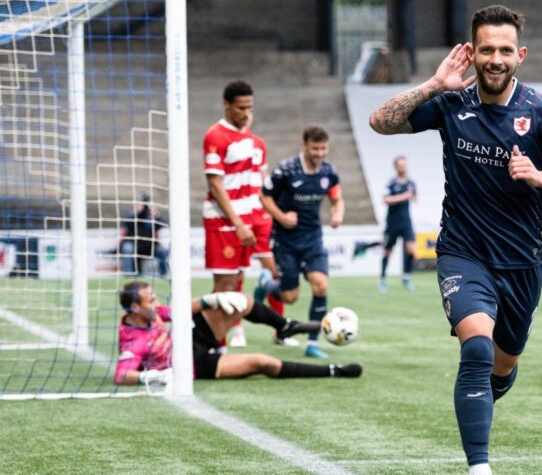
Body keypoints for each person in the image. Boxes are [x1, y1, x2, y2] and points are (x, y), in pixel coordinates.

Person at [368, 5, 542, 475]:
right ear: (472, 51)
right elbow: (380, 121)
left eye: (505, 50)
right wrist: (432, 85)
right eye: (486, 49)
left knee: (503, 365)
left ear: (521, 55)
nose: (495, 59)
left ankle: (480, 403)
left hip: (520, 264)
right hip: (463, 254)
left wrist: (541, 177)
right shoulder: (451, 103)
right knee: (476, 352)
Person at [114, 281, 362, 387]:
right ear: (134, 308)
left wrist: (213, 299)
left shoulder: (152, 313)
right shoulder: (133, 340)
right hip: (191, 364)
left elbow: (178, 310)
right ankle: (336, 371)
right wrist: (155, 377)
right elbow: (122, 375)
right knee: (263, 363)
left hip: (189, 339)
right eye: (150, 300)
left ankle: (284, 325)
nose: (155, 303)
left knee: (239, 300)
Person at [258, 126, 345, 359]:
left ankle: (313, 343)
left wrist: (337, 214)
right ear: (304, 145)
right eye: (315, 148)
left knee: (321, 285)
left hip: (312, 238)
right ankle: (266, 283)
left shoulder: (328, 171)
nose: (319, 153)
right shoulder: (286, 170)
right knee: (290, 297)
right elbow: (264, 196)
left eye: (323, 148)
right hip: (285, 240)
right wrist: (281, 216)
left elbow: (337, 198)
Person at [202, 80, 274, 349]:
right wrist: (239, 224)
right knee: (223, 285)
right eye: (240, 108)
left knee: (238, 281)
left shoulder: (254, 141)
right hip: (224, 221)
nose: (245, 113)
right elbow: (215, 184)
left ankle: (226, 336)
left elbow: (260, 182)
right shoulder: (216, 136)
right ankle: (209, 341)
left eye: (249, 108)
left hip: (251, 219)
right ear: (226, 105)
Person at [378, 156, 418, 293]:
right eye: (400, 165)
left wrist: (412, 196)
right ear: (395, 167)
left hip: (406, 222)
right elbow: (386, 199)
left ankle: (406, 276)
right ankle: (383, 279)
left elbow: (415, 198)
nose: (402, 167)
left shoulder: (411, 183)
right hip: (392, 223)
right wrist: (403, 196)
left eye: (404, 165)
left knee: (411, 249)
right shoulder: (391, 183)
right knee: (388, 251)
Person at [118, 194, 168, 276]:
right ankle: (128, 274)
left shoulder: (151, 216)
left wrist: (155, 214)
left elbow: (163, 223)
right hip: (134, 244)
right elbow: (126, 222)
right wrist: (136, 212)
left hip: (150, 246)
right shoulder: (131, 215)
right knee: (127, 248)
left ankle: (164, 274)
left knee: (162, 251)